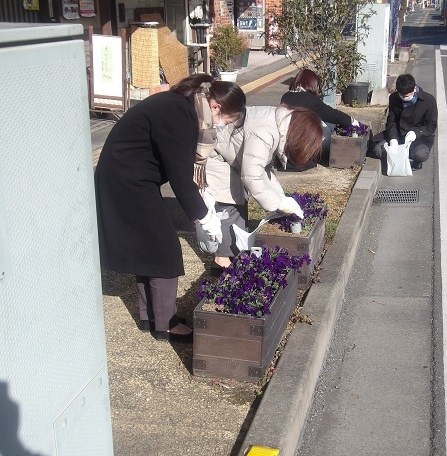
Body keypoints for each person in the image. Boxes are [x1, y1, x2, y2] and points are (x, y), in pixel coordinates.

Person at [94, 73, 247, 341]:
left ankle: (150, 317)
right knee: (164, 250)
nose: (221, 127)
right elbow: (180, 177)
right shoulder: (179, 114)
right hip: (128, 180)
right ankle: (166, 323)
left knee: (148, 247)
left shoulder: (184, 105)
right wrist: (203, 217)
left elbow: (183, 170)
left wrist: (204, 202)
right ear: (216, 107)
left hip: (127, 176)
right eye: (226, 120)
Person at [205, 104, 323, 270]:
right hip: (215, 154)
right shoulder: (265, 131)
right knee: (227, 205)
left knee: (238, 204)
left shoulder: (279, 123)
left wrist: (281, 198)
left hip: (229, 156)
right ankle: (220, 261)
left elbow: (263, 170)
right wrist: (278, 203)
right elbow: (252, 176)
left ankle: (233, 252)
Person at [280, 69, 360, 169]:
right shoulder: (310, 99)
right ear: (312, 84)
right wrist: (351, 120)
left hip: (285, 144)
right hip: (303, 147)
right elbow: (331, 114)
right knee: (327, 128)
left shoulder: (286, 96)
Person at [370, 73, 437, 171]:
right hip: (398, 133)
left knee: (420, 154)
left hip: (418, 138)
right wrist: (393, 139)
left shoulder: (428, 100)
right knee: (378, 150)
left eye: (407, 96)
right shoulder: (394, 98)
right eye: (402, 96)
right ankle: (398, 158)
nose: (404, 98)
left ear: (414, 89)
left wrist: (416, 133)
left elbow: (431, 125)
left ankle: (411, 159)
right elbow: (391, 121)